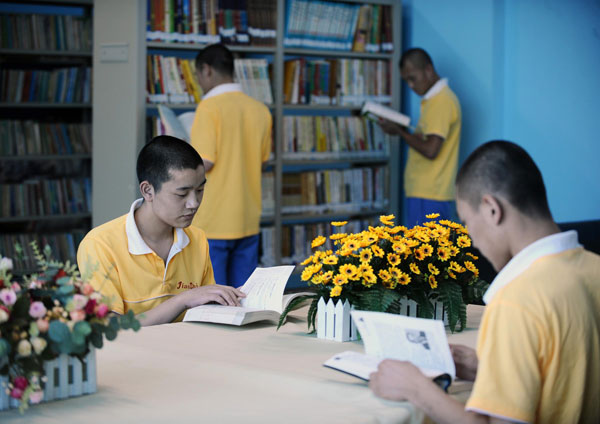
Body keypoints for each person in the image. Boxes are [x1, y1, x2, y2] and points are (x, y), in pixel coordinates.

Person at [368, 141, 600, 423]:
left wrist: (416, 388)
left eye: (466, 222)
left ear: (492, 209)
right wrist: (486, 368)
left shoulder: (515, 300)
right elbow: (566, 369)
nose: (472, 239)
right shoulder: (593, 268)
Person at [77, 135, 245, 326]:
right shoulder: (100, 245)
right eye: (182, 194)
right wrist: (183, 300)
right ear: (148, 191)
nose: (194, 203)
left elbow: (205, 310)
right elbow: (111, 328)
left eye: (200, 190)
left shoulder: (197, 239)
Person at [190, 43, 272, 288]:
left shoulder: (209, 107)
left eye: (197, 77)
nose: (199, 83)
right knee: (243, 296)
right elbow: (263, 163)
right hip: (247, 219)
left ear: (206, 70)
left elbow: (205, 162)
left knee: (213, 300)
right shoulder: (260, 110)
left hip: (213, 221)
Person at [379, 48, 461, 226]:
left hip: (430, 194)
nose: (410, 85)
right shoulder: (433, 101)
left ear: (429, 71)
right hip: (425, 193)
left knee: (424, 251)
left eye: (412, 78)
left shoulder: (442, 101)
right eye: (406, 81)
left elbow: (431, 149)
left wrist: (400, 132)